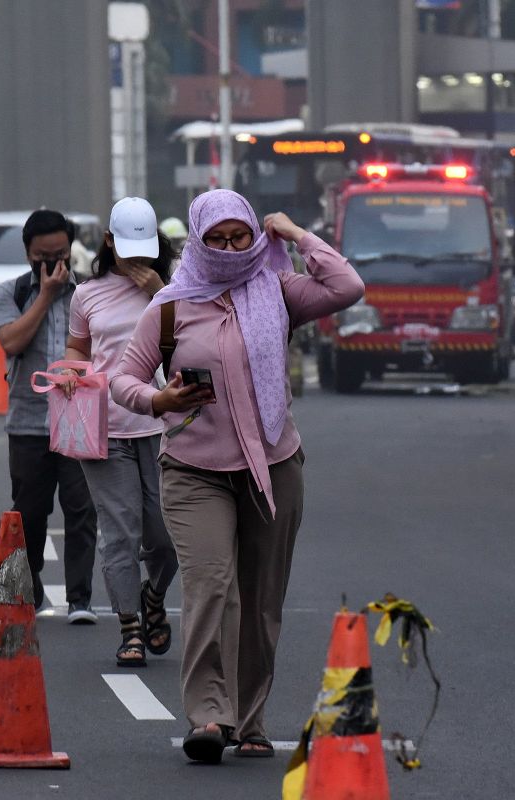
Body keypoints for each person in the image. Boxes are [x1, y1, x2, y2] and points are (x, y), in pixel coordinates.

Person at [111, 189, 364, 763]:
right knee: (211, 587)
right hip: (194, 471)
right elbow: (124, 377)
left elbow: (347, 287)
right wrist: (160, 398)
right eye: (216, 239)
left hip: (273, 466)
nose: (228, 249)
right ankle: (208, 716)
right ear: (198, 240)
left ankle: (250, 720)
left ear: (255, 235)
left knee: (261, 599)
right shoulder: (171, 306)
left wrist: (296, 235)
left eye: (240, 236)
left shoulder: (276, 290)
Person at [63, 197, 180, 667]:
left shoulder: (174, 287)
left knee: (167, 535)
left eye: (145, 249)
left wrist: (161, 291)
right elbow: (77, 347)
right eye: (127, 248)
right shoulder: (86, 294)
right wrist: (72, 372)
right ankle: (130, 626)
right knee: (120, 534)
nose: (137, 258)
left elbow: (189, 337)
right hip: (105, 427)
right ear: (108, 241)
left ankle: (155, 595)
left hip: (165, 424)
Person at [0, 209, 99, 623]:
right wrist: (45, 295)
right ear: (27, 254)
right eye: (41, 256)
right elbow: (13, 343)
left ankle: (80, 599)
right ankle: (31, 586)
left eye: (60, 254)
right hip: (28, 421)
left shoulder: (89, 292)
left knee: (81, 508)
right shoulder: (11, 292)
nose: (52, 264)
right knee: (30, 512)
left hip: (80, 419)